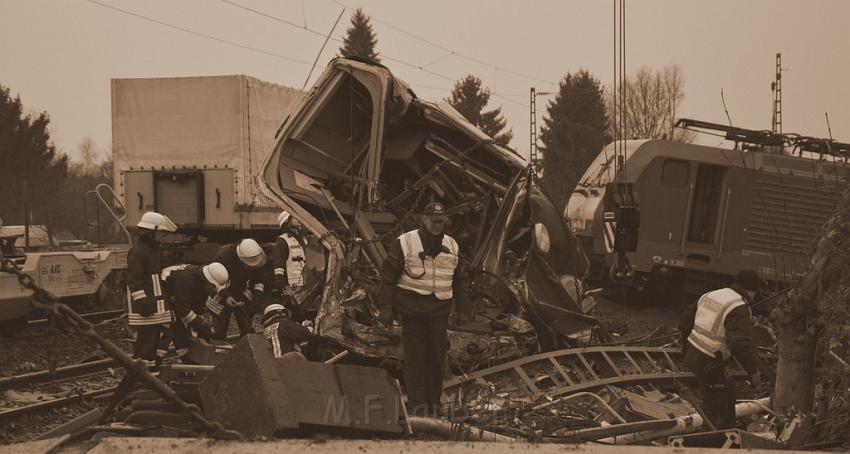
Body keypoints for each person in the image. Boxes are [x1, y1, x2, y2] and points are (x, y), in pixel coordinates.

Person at [379, 201, 471, 416]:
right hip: (412, 310)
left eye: (441, 221)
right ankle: (417, 407)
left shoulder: (452, 245)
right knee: (415, 359)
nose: (437, 225)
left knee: (437, 358)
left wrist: (465, 308)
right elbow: (387, 279)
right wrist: (386, 307)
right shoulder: (405, 242)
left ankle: (433, 406)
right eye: (433, 221)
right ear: (424, 220)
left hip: (439, 310)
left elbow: (460, 280)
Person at [680, 269, 765, 429]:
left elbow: (684, 322)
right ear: (752, 290)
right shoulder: (739, 307)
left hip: (692, 354)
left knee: (717, 390)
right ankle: (719, 435)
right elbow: (740, 345)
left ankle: (711, 424)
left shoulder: (712, 294)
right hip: (709, 360)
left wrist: (685, 348)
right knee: (723, 399)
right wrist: (753, 372)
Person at [126, 211, 177, 370]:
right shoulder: (138, 251)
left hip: (156, 305)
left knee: (157, 341)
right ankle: (142, 379)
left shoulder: (153, 249)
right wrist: (142, 302)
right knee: (146, 346)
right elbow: (134, 280)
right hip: (146, 307)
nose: (163, 237)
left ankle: (152, 374)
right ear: (151, 231)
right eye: (161, 233)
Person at [161, 262, 229, 359]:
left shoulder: (201, 281)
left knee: (183, 331)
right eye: (214, 287)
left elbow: (196, 307)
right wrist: (200, 323)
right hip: (162, 293)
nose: (214, 291)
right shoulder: (186, 279)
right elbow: (183, 309)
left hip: (175, 297)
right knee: (172, 327)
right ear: (209, 281)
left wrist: (203, 329)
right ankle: (157, 362)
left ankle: (186, 358)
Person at [210, 238, 271, 340]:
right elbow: (212, 280)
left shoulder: (257, 258)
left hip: (241, 291)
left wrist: (257, 298)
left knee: (247, 328)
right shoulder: (224, 256)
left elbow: (259, 280)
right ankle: (217, 346)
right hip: (221, 292)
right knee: (219, 330)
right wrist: (227, 296)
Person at [271, 210, 307, 308]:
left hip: (305, 285)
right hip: (291, 287)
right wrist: (282, 287)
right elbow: (278, 266)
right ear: (287, 221)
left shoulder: (303, 238)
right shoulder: (282, 242)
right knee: (292, 311)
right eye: (294, 217)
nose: (298, 218)